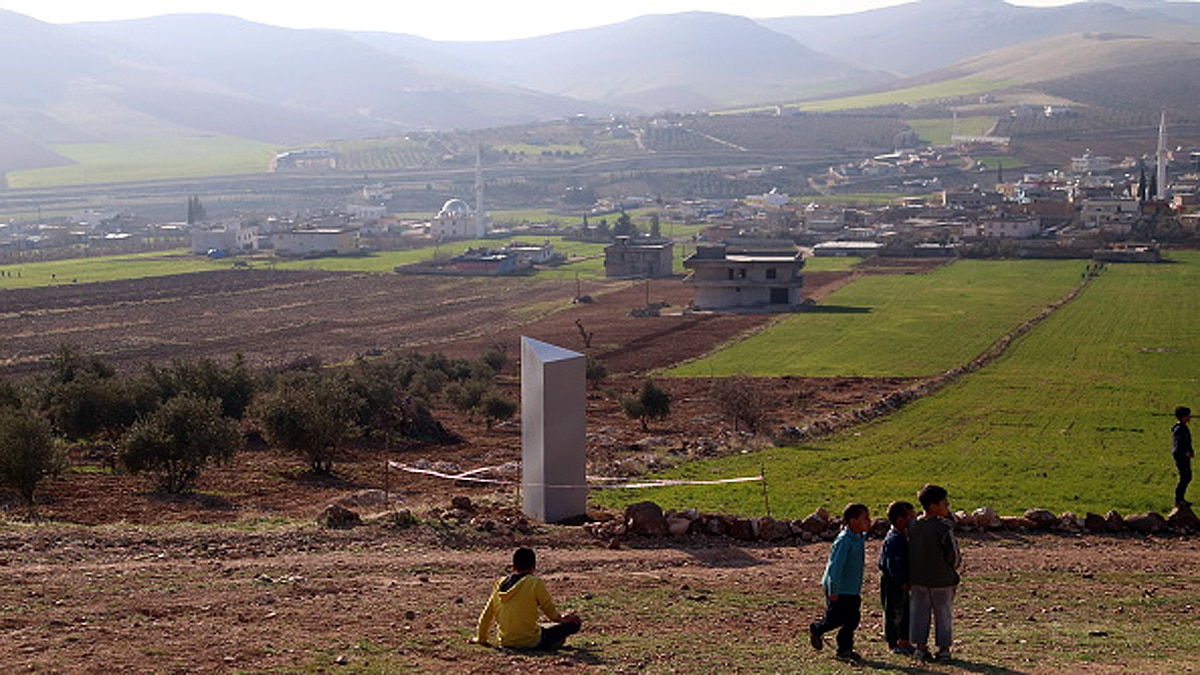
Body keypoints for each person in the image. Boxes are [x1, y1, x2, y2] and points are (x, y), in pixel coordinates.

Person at [472, 547, 582, 650]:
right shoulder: (534, 582)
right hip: (531, 641)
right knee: (574, 624)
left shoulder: (499, 584)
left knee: (542, 627)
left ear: (514, 567)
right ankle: (549, 644)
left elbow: (486, 615)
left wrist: (480, 639)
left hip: (506, 641)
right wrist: (564, 619)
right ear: (533, 567)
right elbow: (550, 612)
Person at [809, 503, 872, 663]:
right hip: (839, 589)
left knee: (852, 620)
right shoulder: (844, 541)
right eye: (865, 518)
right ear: (852, 521)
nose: (869, 521)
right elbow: (834, 567)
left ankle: (844, 649)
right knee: (834, 619)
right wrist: (833, 589)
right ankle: (817, 629)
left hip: (852, 590)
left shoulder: (858, 537)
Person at [907, 484, 961, 662]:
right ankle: (943, 649)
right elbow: (953, 555)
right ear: (933, 506)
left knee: (919, 613)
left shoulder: (913, 525)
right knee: (943, 613)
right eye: (944, 503)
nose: (947, 507)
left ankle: (920, 648)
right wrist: (953, 569)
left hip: (918, 579)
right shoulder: (944, 527)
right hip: (942, 580)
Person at [879, 500, 916, 655]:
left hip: (899, 581)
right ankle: (894, 643)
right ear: (901, 521)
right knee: (894, 612)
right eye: (911, 518)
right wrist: (902, 581)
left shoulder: (901, 536)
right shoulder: (895, 539)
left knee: (905, 611)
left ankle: (904, 640)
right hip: (893, 582)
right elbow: (893, 564)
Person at [1173, 406, 1194, 508]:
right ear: (1183, 417)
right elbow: (1179, 444)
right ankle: (1178, 500)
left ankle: (1181, 499)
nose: (1190, 417)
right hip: (1180, 456)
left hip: (1184, 455)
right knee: (1184, 477)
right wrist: (1185, 452)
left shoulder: (1183, 427)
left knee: (1188, 476)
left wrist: (1190, 450)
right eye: (1188, 415)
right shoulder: (1179, 429)